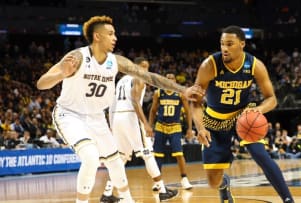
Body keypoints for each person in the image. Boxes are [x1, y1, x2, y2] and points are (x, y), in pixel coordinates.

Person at [36, 15, 203, 203]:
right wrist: (60, 74)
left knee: (115, 161)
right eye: (110, 34)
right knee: (91, 157)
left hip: (97, 117)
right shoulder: (77, 57)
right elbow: (41, 83)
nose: (115, 37)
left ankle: (127, 199)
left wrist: (183, 89)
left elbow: (149, 77)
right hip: (70, 115)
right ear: (97, 36)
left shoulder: (116, 61)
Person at [189, 25, 294, 203]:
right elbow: (195, 102)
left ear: (242, 44)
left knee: (261, 156)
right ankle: (224, 184)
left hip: (243, 117)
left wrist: (258, 110)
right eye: (222, 44)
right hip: (214, 120)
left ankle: (288, 199)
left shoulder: (255, 65)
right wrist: (200, 128)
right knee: (213, 181)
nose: (224, 48)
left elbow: (272, 99)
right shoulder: (209, 65)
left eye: (230, 44)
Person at [100, 57, 178, 202]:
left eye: (147, 67)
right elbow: (135, 102)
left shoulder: (121, 81)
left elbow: (112, 105)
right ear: (134, 66)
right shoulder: (139, 78)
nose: (145, 70)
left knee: (121, 157)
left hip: (118, 118)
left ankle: (107, 193)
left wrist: (112, 125)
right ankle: (162, 190)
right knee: (148, 154)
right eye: (142, 66)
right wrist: (146, 124)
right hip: (131, 117)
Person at [149, 71, 193, 191]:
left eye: (171, 78)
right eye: (167, 78)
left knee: (179, 154)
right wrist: (149, 126)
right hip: (160, 127)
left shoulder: (180, 94)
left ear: (175, 80)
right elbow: (153, 111)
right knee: (158, 155)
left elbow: (188, 111)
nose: (169, 79)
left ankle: (184, 179)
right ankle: (157, 182)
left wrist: (189, 129)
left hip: (175, 127)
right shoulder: (158, 93)